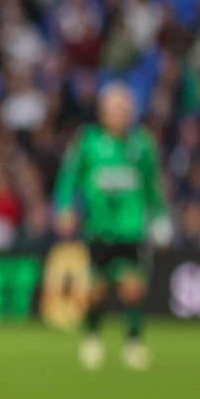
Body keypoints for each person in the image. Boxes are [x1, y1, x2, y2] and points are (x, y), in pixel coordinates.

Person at [55, 81, 169, 370]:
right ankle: (92, 337)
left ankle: (133, 342)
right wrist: (65, 207)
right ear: (103, 111)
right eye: (115, 108)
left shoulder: (142, 142)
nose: (121, 113)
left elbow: (152, 184)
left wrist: (160, 216)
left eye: (125, 107)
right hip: (99, 227)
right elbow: (69, 177)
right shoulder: (88, 141)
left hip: (133, 227)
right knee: (96, 290)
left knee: (134, 288)